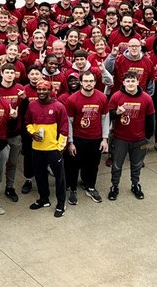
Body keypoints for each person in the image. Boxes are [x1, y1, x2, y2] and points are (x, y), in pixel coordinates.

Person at [107, 73, 154, 200]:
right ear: (123, 83)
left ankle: (135, 185)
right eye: (128, 81)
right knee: (116, 165)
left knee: (137, 164)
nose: (130, 84)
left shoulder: (146, 98)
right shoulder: (116, 96)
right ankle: (114, 186)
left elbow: (150, 119)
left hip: (140, 139)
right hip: (120, 138)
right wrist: (116, 113)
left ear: (138, 82)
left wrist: (148, 138)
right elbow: (108, 116)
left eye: (133, 81)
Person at [27, 80, 70, 215]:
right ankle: (44, 199)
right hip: (37, 148)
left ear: (50, 91)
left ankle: (61, 204)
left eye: (44, 89)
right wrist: (32, 133)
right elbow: (27, 123)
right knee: (40, 176)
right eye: (39, 89)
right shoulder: (32, 106)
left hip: (53, 149)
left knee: (59, 178)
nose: (41, 92)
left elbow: (64, 129)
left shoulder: (59, 106)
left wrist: (60, 148)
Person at [64, 71, 106, 206]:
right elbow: (69, 122)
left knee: (93, 165)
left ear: (95, 82)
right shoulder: (72, 99)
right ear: (81, 82)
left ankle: (90, 187)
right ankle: (72, 189)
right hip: (78, 138)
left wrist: (105, 139)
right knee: (73, 166)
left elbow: (105, 119)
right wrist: (70, 142)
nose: (89, 83)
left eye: (91, 81)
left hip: (96, 138)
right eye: (86, 81)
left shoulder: (102, 97)